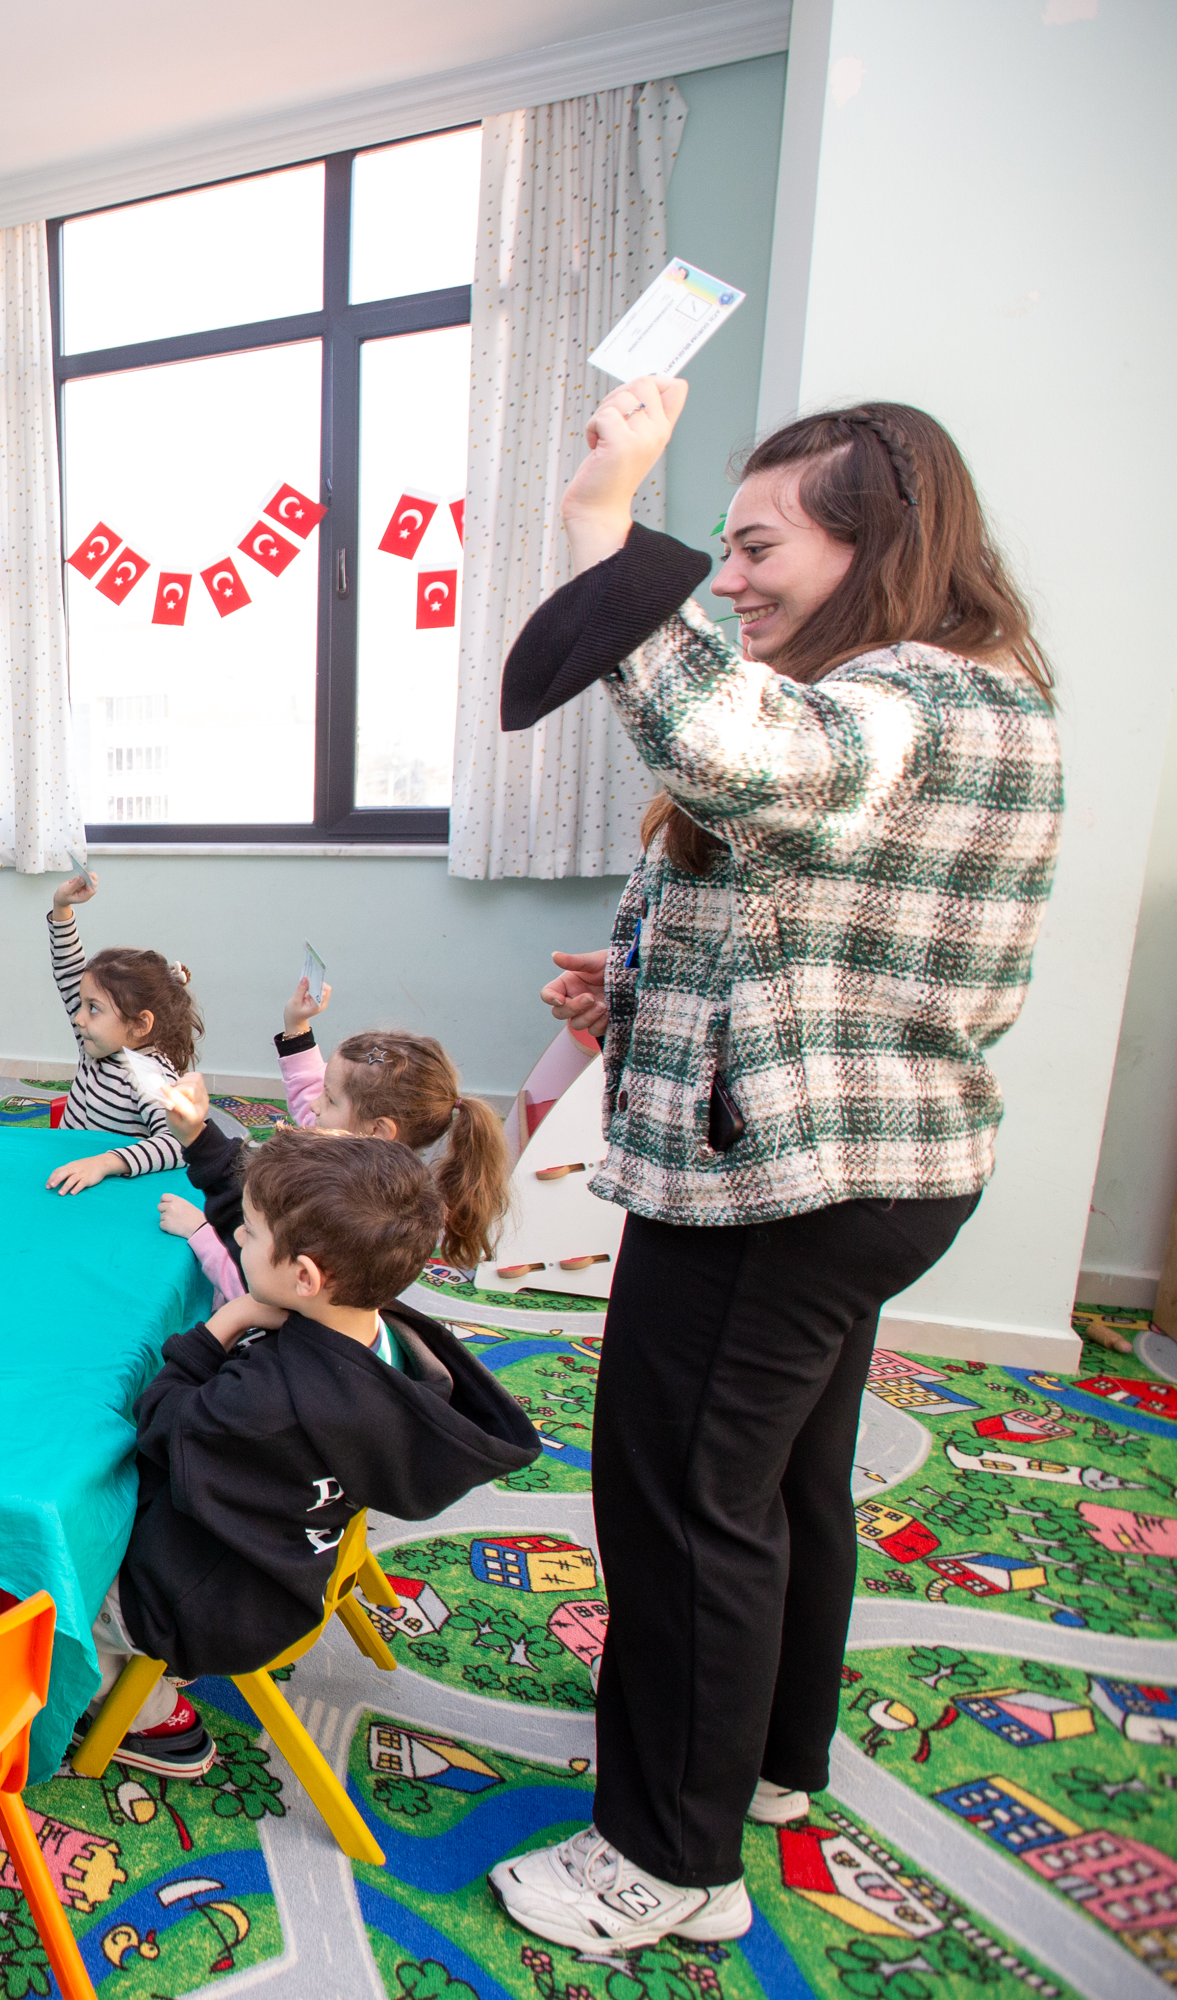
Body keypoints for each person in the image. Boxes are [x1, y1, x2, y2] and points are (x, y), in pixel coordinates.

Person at [483, 379, 1060, 1953]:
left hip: (782, 1188)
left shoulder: (912, 698)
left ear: (878, 544)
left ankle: (667, 1860)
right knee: (783, 1478)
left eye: (754, 549)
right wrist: (641, 989)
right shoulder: (958, 698)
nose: (726, 581)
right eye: (716, 551)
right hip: (874, 1165)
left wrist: (608, 528)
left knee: (679, 1502)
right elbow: (830, 929)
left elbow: (740, 758)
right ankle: (776, 1763)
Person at [94, 1130, 540, 1777]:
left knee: (52, 1571)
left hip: (199, 1605)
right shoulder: (384, 1334)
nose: (236, 1240)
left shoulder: (265, 1402)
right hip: (290, 1578)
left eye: (246, 1234)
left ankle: (150, 1715)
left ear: (304, 1277)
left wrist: (225, 1324)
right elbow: (265, 1244)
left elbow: (159, 1424)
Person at [265, 991, 511, 1271]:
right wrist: (296, 1027)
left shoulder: (358, 1208)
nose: (314, 1104)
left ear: (378, 1129)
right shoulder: (345, 1138)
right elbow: (309, 1096)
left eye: (329, 1098)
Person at [40, 870, 213, 1192]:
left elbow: (180, 1143)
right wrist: (61, 906)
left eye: (93, 1007)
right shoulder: (95, 1040)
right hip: (66, 1170)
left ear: (139, 1024)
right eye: (82, 1004)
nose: (78, 1018)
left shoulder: (149, 1074)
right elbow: (67, 970)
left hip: (108, 1189)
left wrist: (105, 1162)